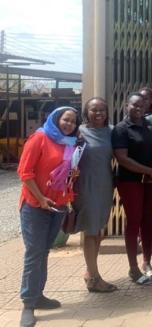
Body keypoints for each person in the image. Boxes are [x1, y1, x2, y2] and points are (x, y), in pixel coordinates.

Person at [17, 106, 81, 327]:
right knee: (34, 253)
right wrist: (42, 199)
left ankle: (38, 295)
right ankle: (28, 304)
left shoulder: (69, 143)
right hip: (35, 205)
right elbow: (25, 173)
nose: (69, 124)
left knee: (44, 251)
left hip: (58, 206)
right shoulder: (40, 138)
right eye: (66, 120)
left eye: (73, 122)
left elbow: (65, 173)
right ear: (55, 119)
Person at [112, 92, 152, 285]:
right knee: (134, 222)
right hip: (131, 182)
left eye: (142, 105)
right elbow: (122, 158)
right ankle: (133, 268)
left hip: (151, 182)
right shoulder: (121, 129)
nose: (139, 108)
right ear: (126, 106)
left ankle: (147, 262)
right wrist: (148, 170)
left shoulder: (149, 127)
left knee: (148, 221)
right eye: (134, 105)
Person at [73, 98, 117, 292]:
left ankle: (90, 272)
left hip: (105, 186)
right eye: (94, 110)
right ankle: (94, 279)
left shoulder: (112, 131)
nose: (98, 113)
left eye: (102, 110)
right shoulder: (78, 132)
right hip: (85, 187)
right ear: (86, 112)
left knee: (99, 230)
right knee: (90, 231)